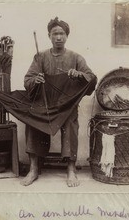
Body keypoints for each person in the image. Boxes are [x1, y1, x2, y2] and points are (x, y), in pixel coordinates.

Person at [20, 17, 96, 187]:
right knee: (33, 121)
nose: (59, 37)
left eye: (62, 33)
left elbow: (91, 78)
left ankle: (71, 170)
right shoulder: (40, 57)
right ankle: (33, 169)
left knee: (70, 123)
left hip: (66, 106)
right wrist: (36, 79)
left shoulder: (76, 57)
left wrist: (79, 75)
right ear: (49, 36)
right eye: (55, 33)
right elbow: (27, 81)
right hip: (44, 104)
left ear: (67, 36)